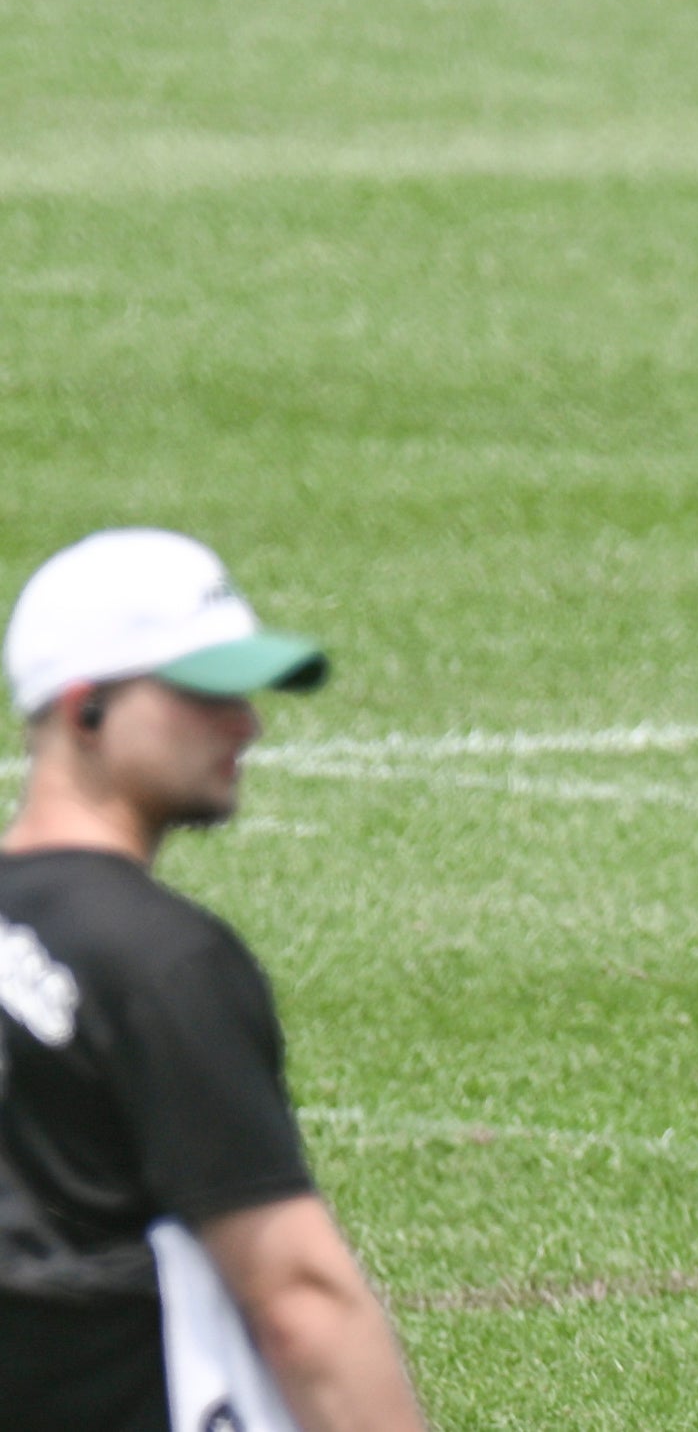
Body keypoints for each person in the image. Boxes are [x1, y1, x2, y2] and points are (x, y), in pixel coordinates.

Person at [0, 528, 429, 1432]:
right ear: (84, 710)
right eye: (205, 694)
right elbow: (300, 1299)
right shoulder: (158, 961)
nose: (247, 724)